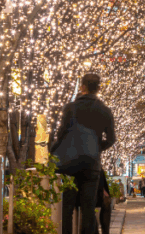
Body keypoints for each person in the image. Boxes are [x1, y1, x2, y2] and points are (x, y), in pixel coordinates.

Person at [49, 72, 116, 234]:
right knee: (88, 208)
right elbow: (112, 139)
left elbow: (61, 134)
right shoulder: (105, 110)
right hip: (91, 163)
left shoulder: (70, 108)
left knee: (67, 208)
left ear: (83, 87)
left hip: (68, 163)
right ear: (99, 88)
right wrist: (96, 147)